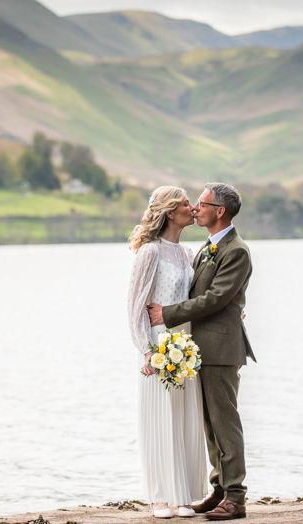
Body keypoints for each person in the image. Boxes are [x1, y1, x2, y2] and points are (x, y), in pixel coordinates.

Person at [147, 182, 255, 521]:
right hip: (201, 347)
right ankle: (219, 489)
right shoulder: (206, 248)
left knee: (225, 422)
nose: (196, 207)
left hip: (222, 349)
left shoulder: (236, 250)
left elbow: (216, 298)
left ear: (219, 211)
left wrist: (168, 313)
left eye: (202, 202)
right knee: (209, 423)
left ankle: (236, 497)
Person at [127, 186, 207, 519]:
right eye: (186, 203)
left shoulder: (187, 253)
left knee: (185, 416)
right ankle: (159, 497)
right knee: (160, 417)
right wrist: (146, 350)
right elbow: (135, 306)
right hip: (159, 344)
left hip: (186, 343)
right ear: (171, 212)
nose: (193, 207)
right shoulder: (150, 252)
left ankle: (182, 494)